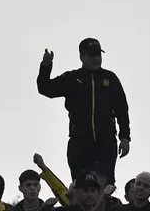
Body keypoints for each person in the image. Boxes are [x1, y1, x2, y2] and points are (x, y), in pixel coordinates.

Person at [37, 38, 130, 181]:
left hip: (106, 144)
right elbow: (45, 88)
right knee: (80, 186)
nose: (96, 59)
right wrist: (46, 66)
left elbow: (122, 110)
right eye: (91, 55)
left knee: (106, 186)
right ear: (81, 57)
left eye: (98, 55)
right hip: (79, 144)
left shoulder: (110, 78)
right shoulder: (72, 78)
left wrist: (125, 137)